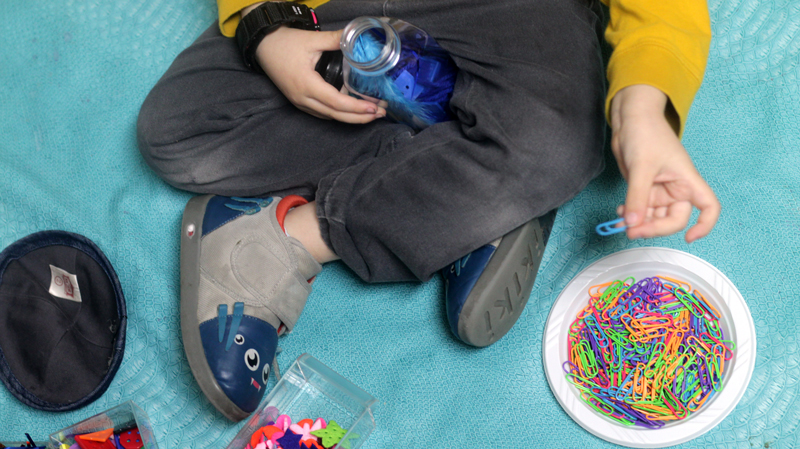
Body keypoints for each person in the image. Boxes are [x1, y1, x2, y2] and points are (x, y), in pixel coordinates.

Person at [137, 0, 721, 421]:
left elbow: (664, 14)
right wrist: (267, 23)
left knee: (561, 137)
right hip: (345, 10)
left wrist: (643, 113)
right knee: (178, 131)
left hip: (525, 18)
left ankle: (297, 234)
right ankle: (475, 183)